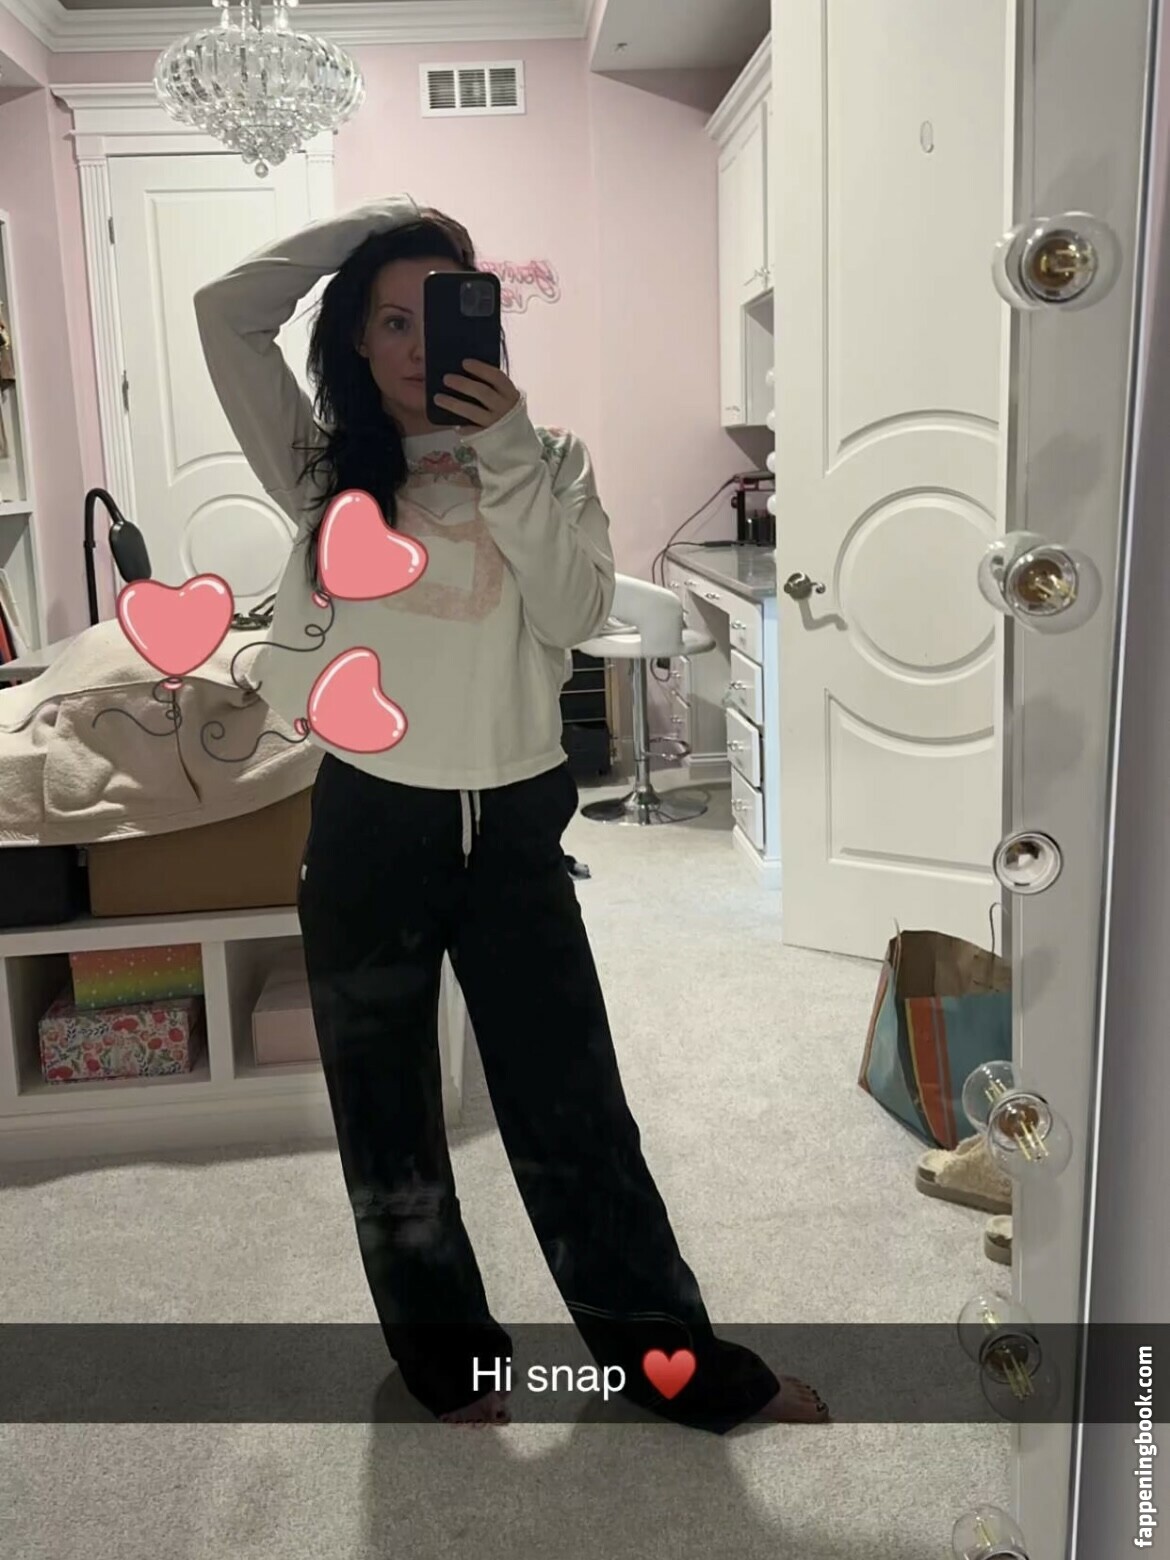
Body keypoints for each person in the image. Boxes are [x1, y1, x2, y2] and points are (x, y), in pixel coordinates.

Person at [194, 194, 828, 1431]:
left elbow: (574, 613)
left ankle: (672, 1367)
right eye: (391, 318)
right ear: (354, 337)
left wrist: (506, 447)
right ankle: (448, 1365)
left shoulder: (551, 458)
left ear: (486, 324)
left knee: (576, 1111)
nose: (416, 343)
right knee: (387, 1119)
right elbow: (225, 312)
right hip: (370, 826)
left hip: (515, 832)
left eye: (442, 311)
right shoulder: (322, 468)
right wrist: (379, 226)